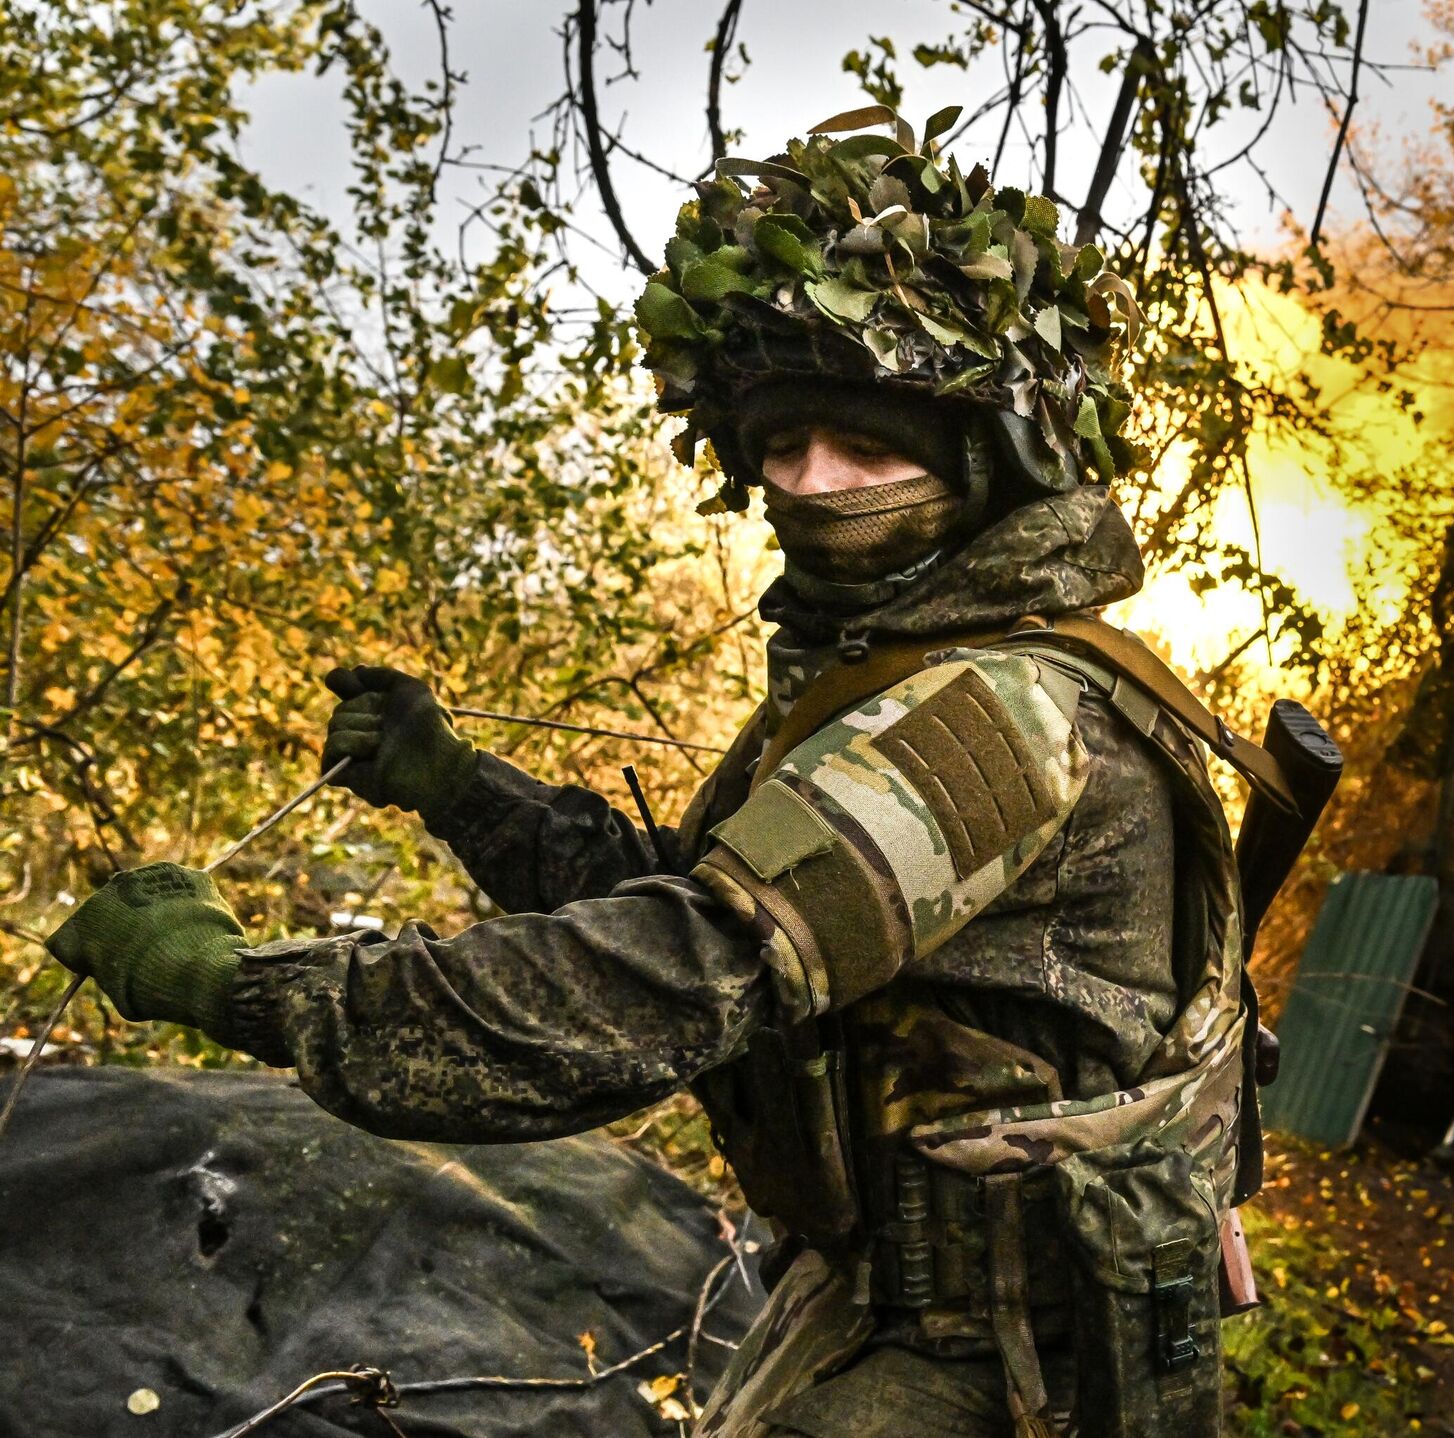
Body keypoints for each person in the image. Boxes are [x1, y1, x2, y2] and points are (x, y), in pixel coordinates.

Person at [47, 108, 1266, 1438]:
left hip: (1015, 1360)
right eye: (784, 445)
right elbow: (693, 890)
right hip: (878, 1298)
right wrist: (458, 787)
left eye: (866, 444)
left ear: (986, 464)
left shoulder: (999, 718)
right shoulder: (890, 675)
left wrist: (239, 985)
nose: (814, 481)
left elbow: (669, 979)